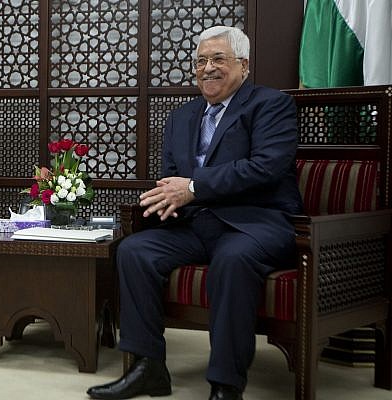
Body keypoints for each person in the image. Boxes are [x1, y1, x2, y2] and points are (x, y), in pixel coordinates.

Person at [87, 26, 303, 400]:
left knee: (233, 259)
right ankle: (148, 367)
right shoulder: (182, 117)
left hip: (255, 223)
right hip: (196, 224)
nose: (207, 68)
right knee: (134, 250)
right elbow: (172, 176)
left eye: (218, 59)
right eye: (201, 61)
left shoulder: (270, 105)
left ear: (244, 65)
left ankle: (225, 384)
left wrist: (193, 188)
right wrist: (166, 198)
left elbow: (266, 167)